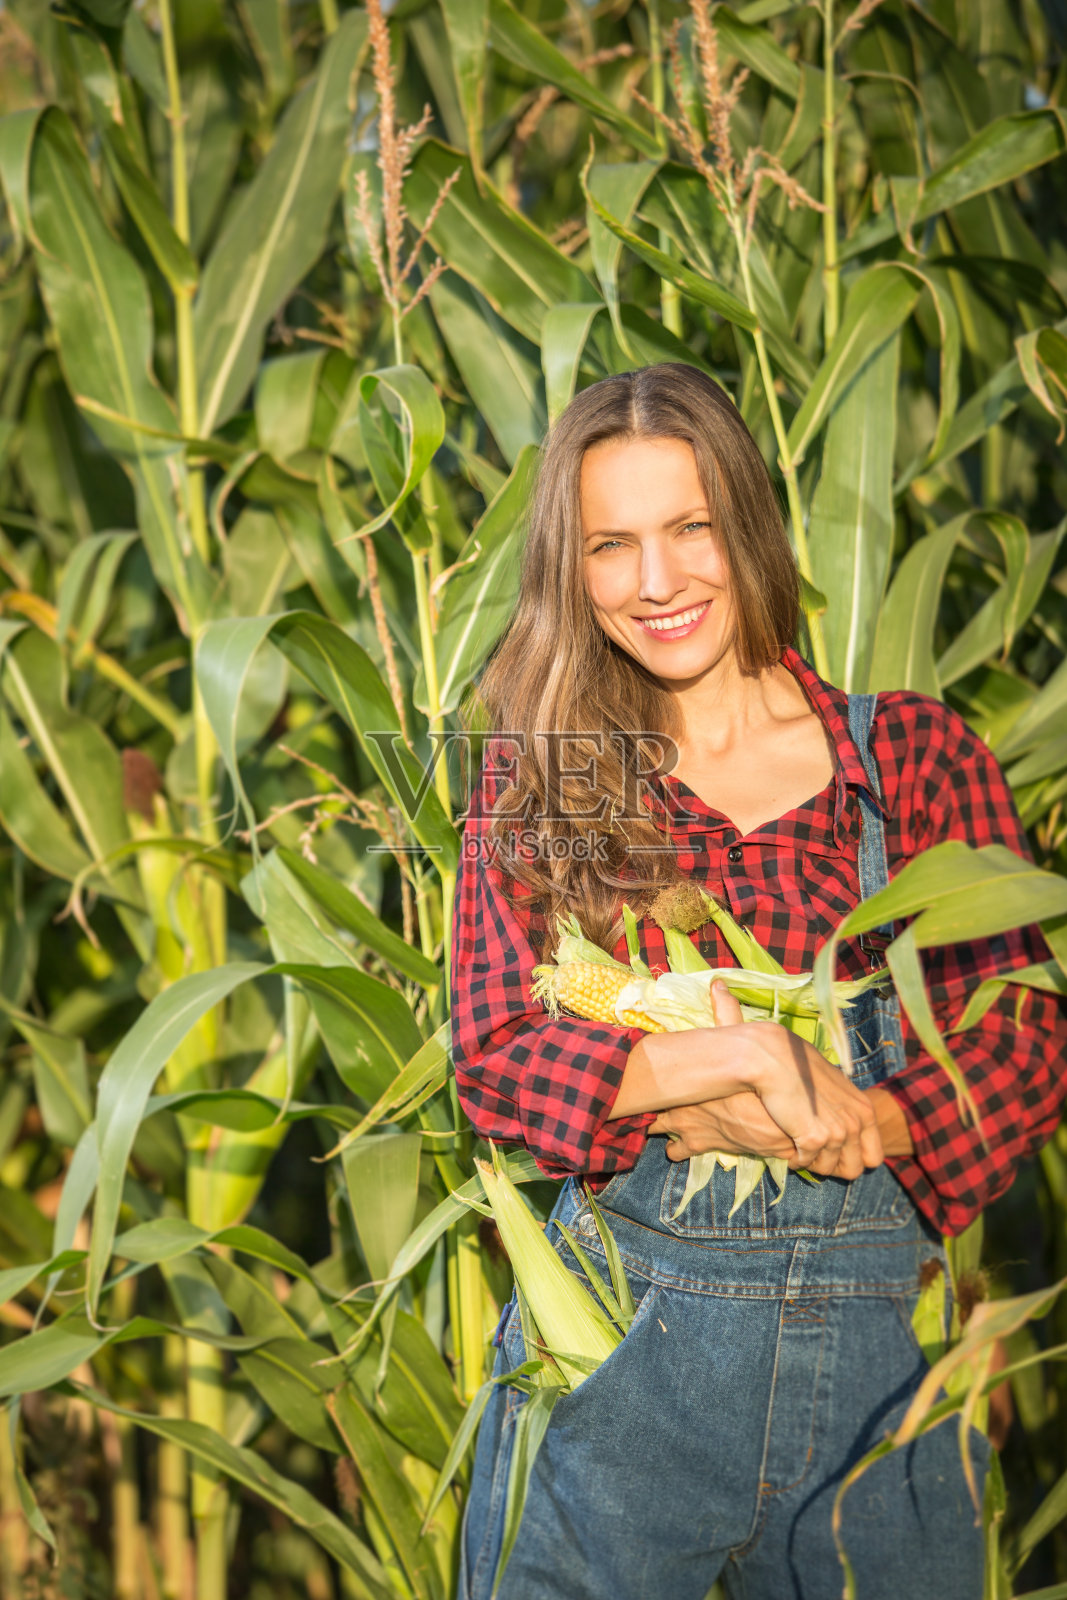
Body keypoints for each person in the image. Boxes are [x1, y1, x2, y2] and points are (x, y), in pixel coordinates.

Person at [448, 363, 1067, 1600]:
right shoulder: (548, 781)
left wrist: (870, 1124)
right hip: (622, 1385)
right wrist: (733, 1061)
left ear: (748, 520)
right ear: (570, 570)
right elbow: (496, 1057)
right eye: (610, 544)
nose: (657, 581)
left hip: (879, 1399)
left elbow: (1028, 1042)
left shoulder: (911, 760)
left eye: (690, 527)